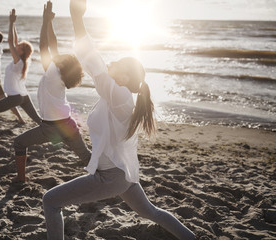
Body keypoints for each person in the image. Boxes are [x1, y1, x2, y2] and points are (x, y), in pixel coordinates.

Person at [42, 0, 196, 239]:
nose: (112, 63)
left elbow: (92, 60)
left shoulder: (120, 96)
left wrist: (77, 18)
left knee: (50, 200)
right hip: (124, 174)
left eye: (119, 63)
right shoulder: (117, 97)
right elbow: (96, 64)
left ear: (125, 76)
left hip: (111, 176)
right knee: (152, 212)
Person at [13, 1, 91, 182]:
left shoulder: (52, 72)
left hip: (50, 128)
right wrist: (49, 22)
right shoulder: (61, 74)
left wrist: (44, 21)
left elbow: (44, 47)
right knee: (87, 157)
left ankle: (21, 179)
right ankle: (108, 176)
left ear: (62, 63)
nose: (58, 56)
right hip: (68, 125)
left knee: (19, 143)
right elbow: (53, 45)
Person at [0, 8, 41, 142]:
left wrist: (10, 23)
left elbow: (11, 42)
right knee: (39, 120)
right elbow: (14, 41)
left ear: (21, 52)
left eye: (20, 46)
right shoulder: (23, 61)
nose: (17, 46)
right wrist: (14, 23)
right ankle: (59, 136)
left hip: (15, 98)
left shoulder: (18, 62)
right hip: (24, 96)